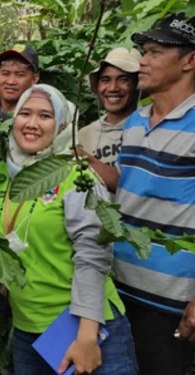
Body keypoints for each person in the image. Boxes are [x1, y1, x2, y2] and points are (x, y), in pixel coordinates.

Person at [0, 84, 138, 375]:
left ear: (61, 126)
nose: (32, 123)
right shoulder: (0, 173)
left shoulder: (77, 176)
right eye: (25, 113)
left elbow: (92, 257)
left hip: (86, 327)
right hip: (28, 329)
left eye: (45, 116)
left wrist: (86, 337)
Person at [82, 13, 195, 375]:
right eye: (144, 51)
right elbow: (127, 183)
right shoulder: (134, 121)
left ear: (189, 60)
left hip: (171, 301)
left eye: (155, 52)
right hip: (119, 288)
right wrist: (77, 158)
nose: (143, 61)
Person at [0, 45, 79, 123]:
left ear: (34, 79)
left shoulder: (47, 114)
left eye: (19, 75)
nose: (11, 81)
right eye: (6, 73)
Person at [78, 48, 142, 168]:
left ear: (138, 84)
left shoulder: (150, 128)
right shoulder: (84, 135)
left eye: (123, 80)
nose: (113, 88)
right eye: (105, 80)